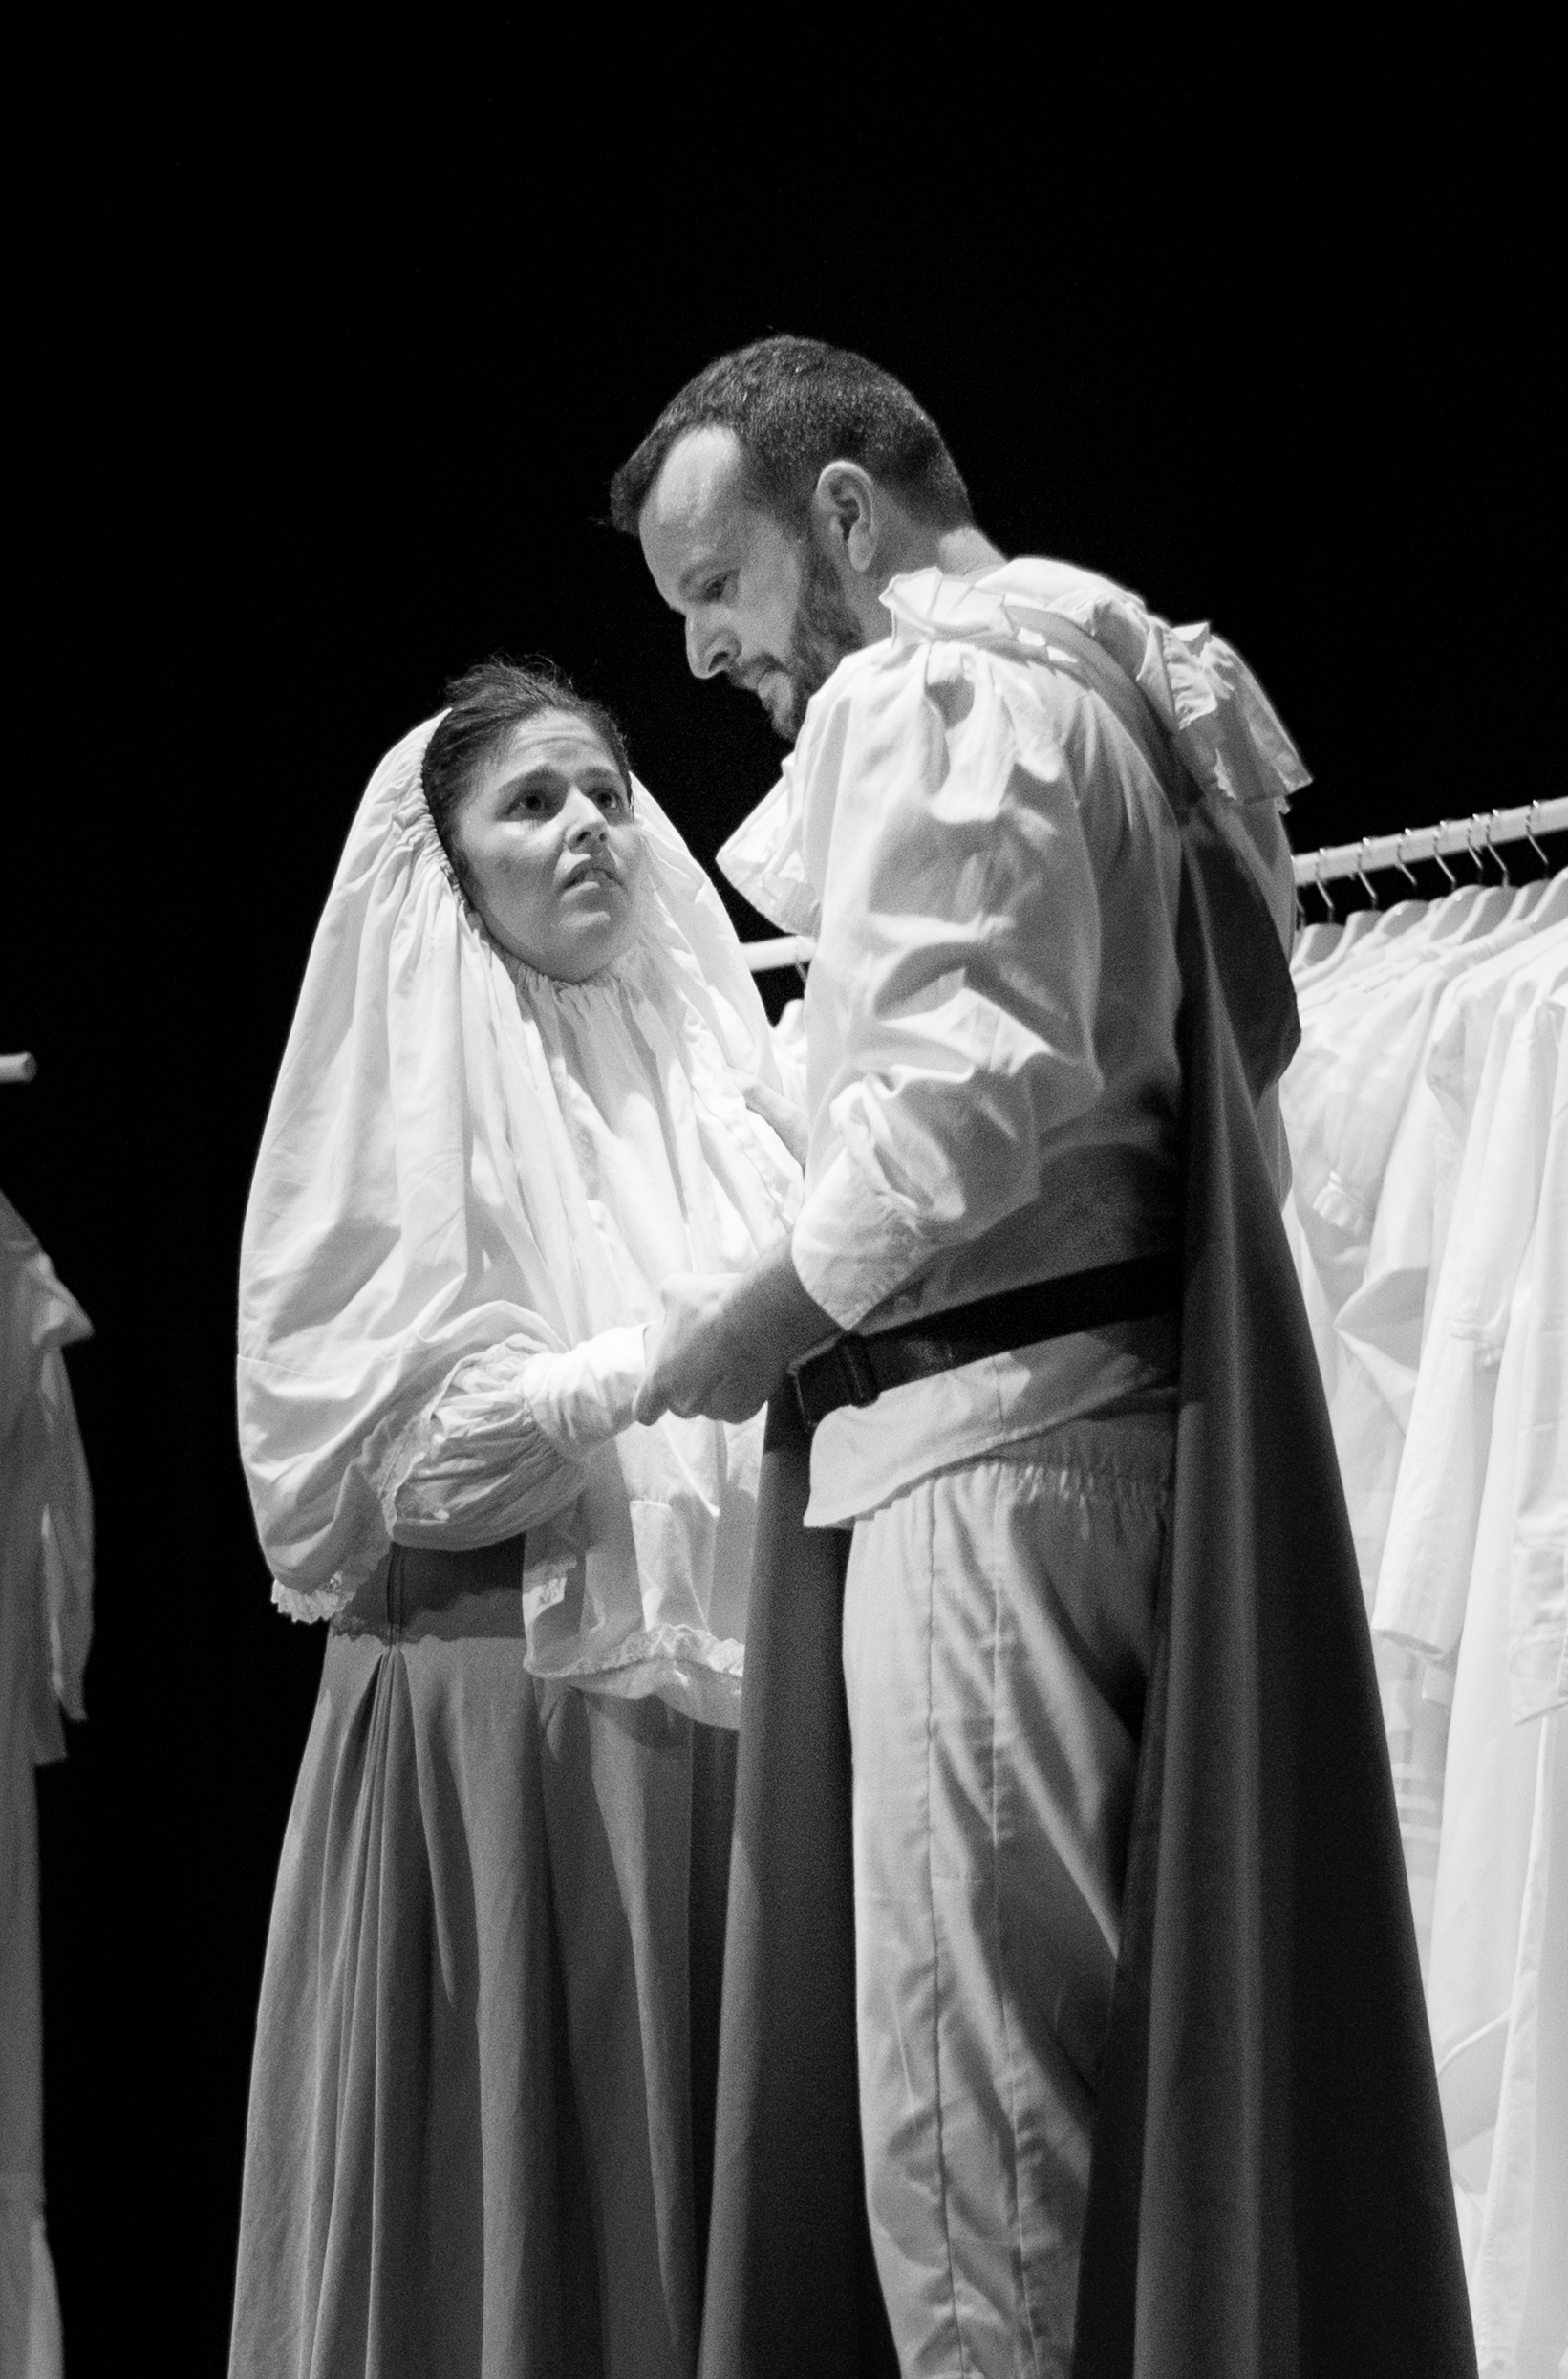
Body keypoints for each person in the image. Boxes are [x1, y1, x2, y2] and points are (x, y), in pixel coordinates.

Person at [612, 337, 1476, 2378]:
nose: (709, 650)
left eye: (719, 585)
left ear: (843, 513)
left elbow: (946, 1120)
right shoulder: (1135, 681)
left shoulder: (944, 691)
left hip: (991, 1461)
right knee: (1090, 2110)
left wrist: (736, 1329)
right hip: (1096, 1433)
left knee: (973, 2153)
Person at [227, 660, 803, 2379]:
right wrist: (650, 1364)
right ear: (449, 863)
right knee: (526, 2215)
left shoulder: (709, 1066)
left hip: (722, 1708)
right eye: (534, 802)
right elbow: (404, 1461)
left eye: (609, 793)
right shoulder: (410, 1099)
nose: (588, 827)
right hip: (510, 1711)